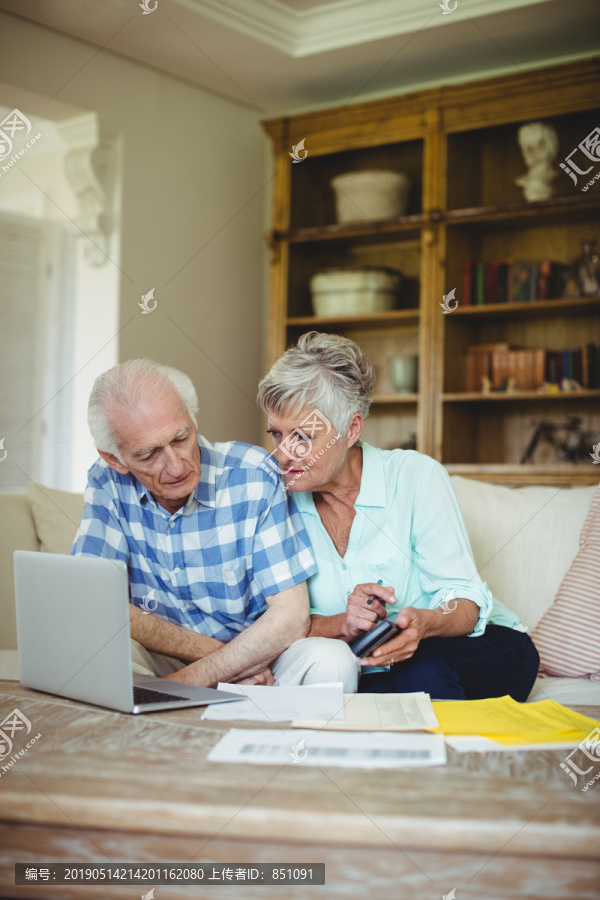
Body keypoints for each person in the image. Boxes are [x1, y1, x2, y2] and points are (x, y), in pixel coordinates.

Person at [257, 332, 540, 700]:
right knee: (365, 687)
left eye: (302, 437)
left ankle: (440, 756)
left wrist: (426, 623)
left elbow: (466, 605)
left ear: (351, 429)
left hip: (483, 644)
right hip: (370, 663)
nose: (283, 454)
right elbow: (278, 624)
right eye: (276, 434)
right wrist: (344, 623)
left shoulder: (415, 476)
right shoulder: (277, 501)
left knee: (418, 669)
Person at [71, 358, 360, 691]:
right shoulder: (106, 481)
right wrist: (218, 662)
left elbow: (290, 617)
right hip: (173, 656)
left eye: (180, 439)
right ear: (114, 458)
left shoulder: (253, 474)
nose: (176, 467)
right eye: (149, 454)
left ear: (193, 419)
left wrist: (184, 683)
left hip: (260, 655)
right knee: (90, 652)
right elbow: (92, 600)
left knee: (332, 662)